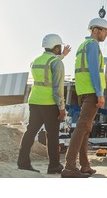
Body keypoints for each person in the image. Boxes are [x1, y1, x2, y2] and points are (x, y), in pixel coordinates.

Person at [61, 18, 107, 178]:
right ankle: (69, 166)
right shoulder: (93, 45)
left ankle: (85, 165)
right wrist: (100, 94)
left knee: (85, 129)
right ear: (96, 30)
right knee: (82, 128)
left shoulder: (84, 45)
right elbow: (94, 70)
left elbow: (98, 63)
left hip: (83, 91)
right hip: (92, 92)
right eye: (105, 31)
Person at [17, 34, 69, 174]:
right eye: (60, 47)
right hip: (49, 103)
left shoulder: (35, 61)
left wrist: (62, 56)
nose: (61, 49)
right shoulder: (57, 62)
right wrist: (62, 108)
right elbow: (58, 88)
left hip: (34, 101)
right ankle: (53, 166)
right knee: (52, 135)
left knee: (30, 132)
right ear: (56, 47)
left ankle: (22, 162)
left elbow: (48, 67)